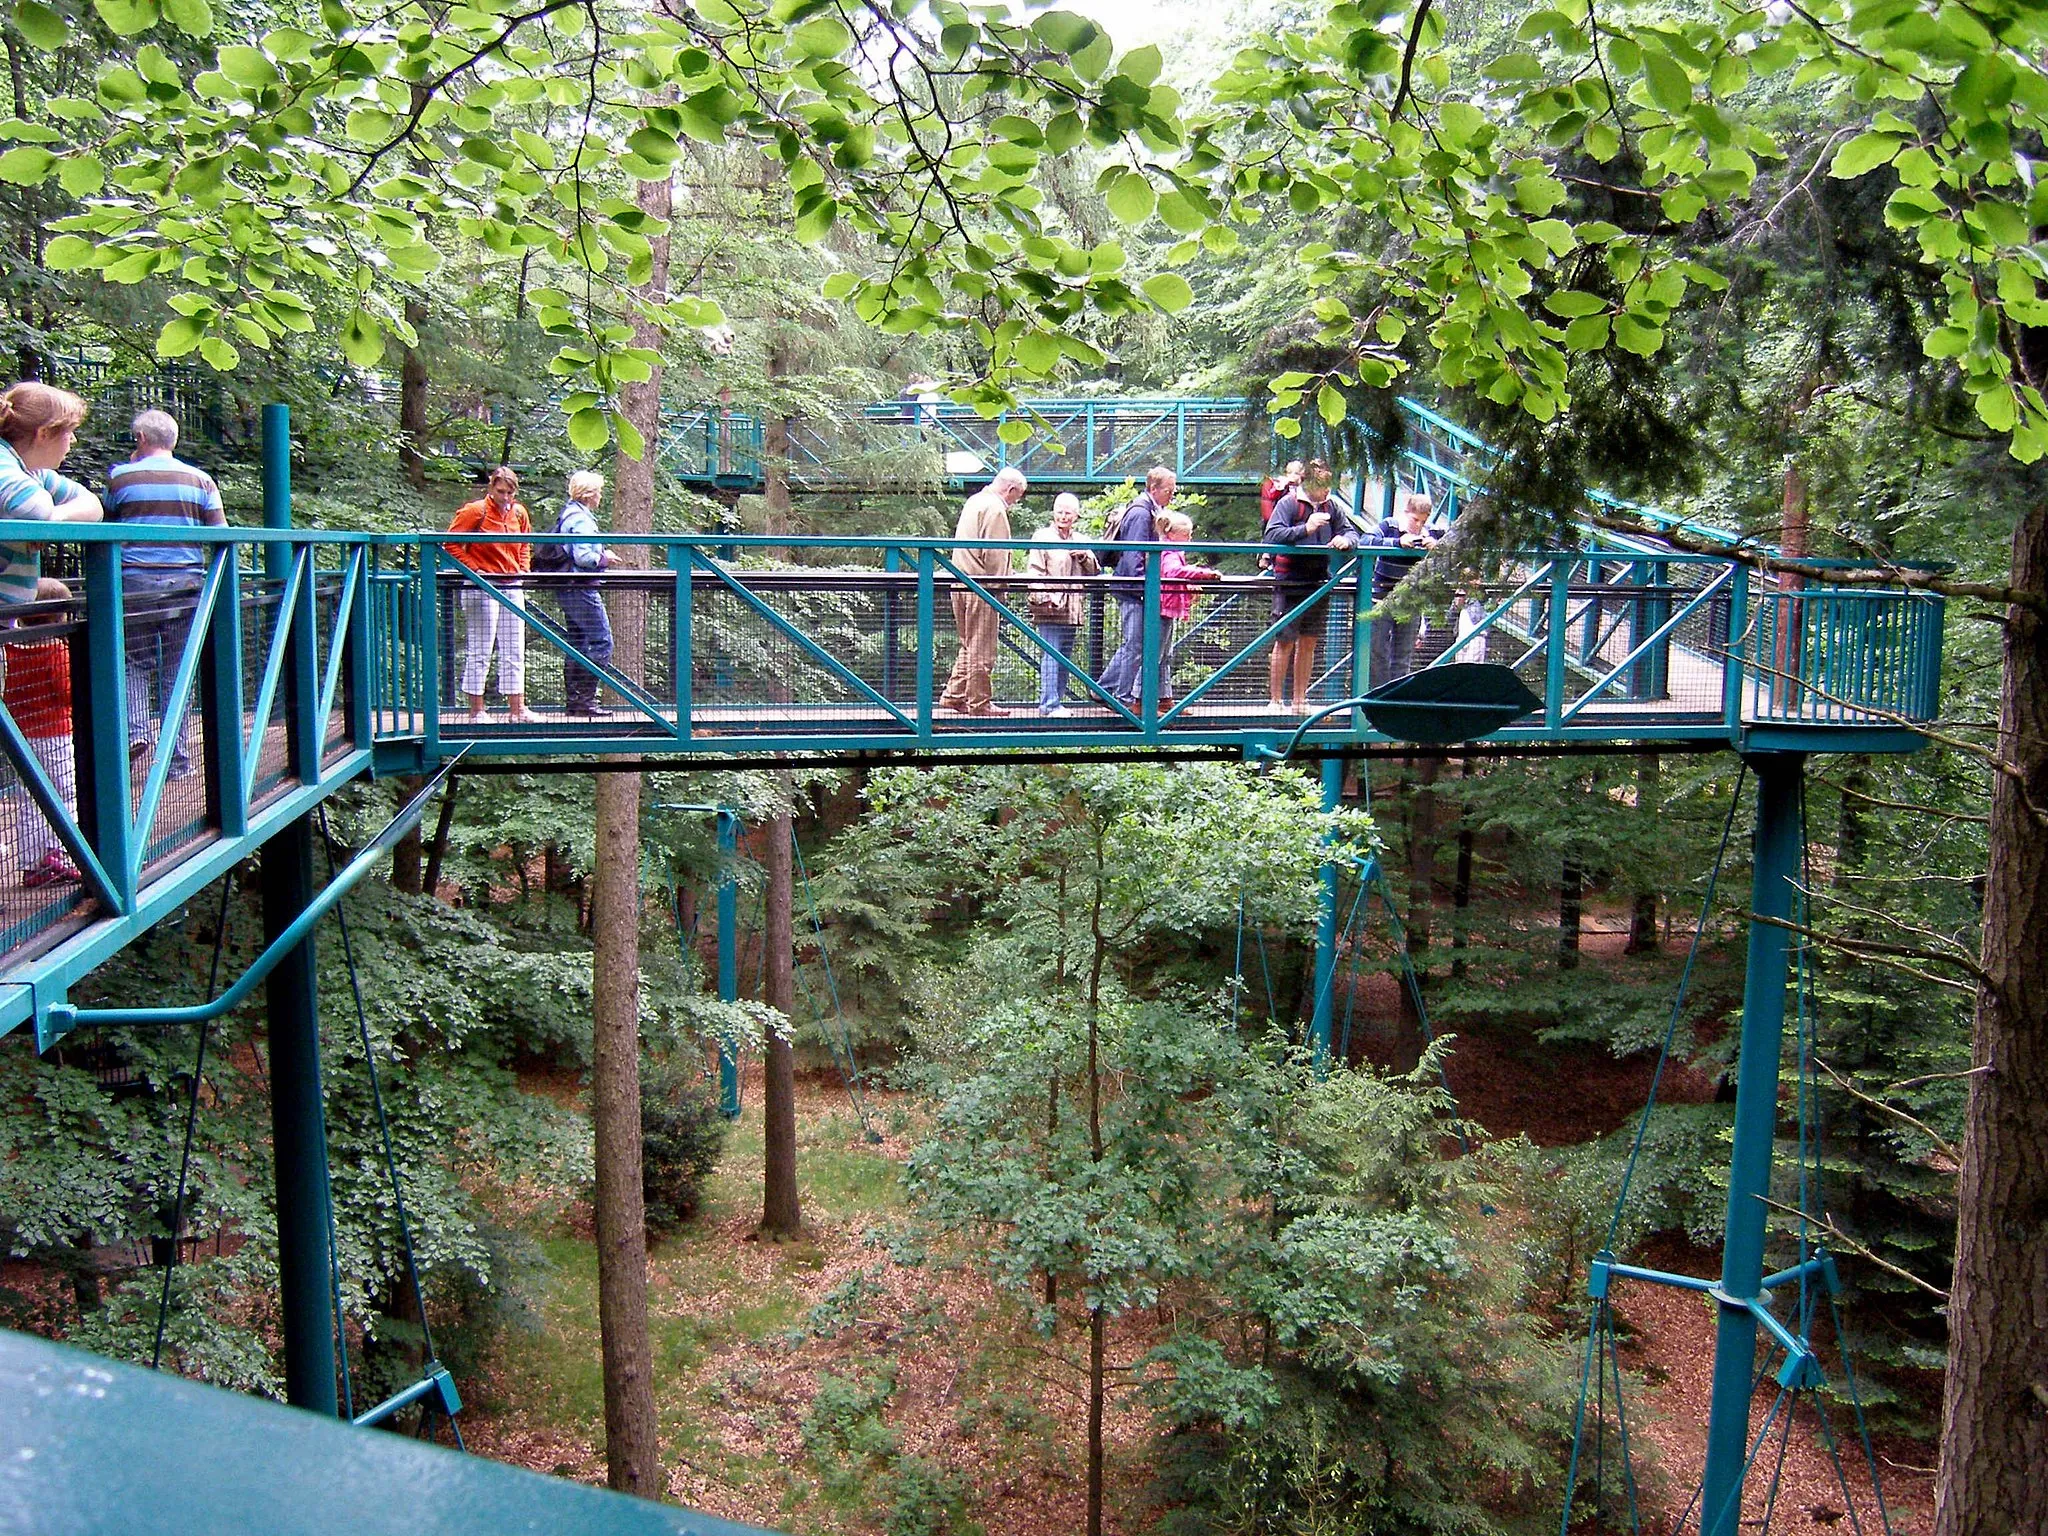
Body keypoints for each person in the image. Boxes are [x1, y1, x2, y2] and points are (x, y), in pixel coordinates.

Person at [107, 409, 225, 779]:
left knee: (132, 664)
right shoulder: (202, 480)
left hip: (134, 585)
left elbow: (108, 529)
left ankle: (137, 732)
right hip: (187, 584)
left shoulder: (119, 478)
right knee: (177, 672)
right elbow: (220, 532)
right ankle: (176, 763)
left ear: (140, 438)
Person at [1261, 460, 1357, 712]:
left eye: (1329, 485)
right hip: (1289, 579)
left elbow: (1351, 533)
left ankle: (1300, 700)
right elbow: (1273, 535)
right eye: (1323, 485)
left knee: (1309, 641)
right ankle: (1275, 701)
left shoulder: (1332, 507)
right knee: (1285, 639)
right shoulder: (1289, 503)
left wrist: (1345, 540)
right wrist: (1306, 528)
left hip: (1318, 580)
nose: (1327, 490)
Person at [0, 382, 104, 612]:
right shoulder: (2, 460)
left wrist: (54, 518)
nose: (74, 440)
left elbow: (93, 506)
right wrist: (41, 519)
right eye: (69, 432)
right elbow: (33, 507)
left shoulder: (32, 471)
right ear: (44, 433)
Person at [5, 579, 80, 887]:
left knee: (30, 796)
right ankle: (60, 853)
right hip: (56, 734)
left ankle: (31, 863)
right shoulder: (55, 652)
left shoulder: (9, 651)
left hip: (21, 736)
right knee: (64, 792)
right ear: (58, 618)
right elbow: (66, 694)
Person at [446, 466, 534, 724]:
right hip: (481, 585)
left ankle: (517, 710)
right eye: (501, 491)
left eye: (510, 492)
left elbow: (526, 543)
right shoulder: (476, 511)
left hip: (512, 583)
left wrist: (524, 570)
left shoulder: (519, 513)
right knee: (480, 648)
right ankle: (477, 711)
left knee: (514, 647)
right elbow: (450, 543)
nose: (505, 497)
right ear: (491, 488)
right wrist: (476, 570)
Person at [938, 466, 1027, 717]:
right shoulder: (996, 508)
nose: (1014, 503)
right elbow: (995, 555)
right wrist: (1003, 587)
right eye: (1016, 498)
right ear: (1010, 490)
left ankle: (953, 696)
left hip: (960, 582)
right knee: (982, 648)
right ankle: (980, 704)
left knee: (968, 644)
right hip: (982, 588)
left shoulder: (975, 501)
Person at [534, 471, 618, 717]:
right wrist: (605, 558)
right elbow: (583, 557)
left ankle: (576, 701)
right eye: (599, 491)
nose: (600, 495)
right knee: (602, 641)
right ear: (590, 494)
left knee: (578, 643)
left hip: (569, 585)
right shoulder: (581, 519)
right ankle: (586, 700)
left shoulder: (569, 513)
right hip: (580, 586)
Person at [1096, 464, 1177, 708]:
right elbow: (1134, 555)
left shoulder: (1149, 510)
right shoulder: (1141, 513)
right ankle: (1121, 697)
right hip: (1134, 590)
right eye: (1169, 491)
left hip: (1134, 588)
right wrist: (1146, 590)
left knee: (1136, 645)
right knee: (1135, 646)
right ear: (1154, 488)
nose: (1172, 495)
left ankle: (1105, 689)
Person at [1024, 491, 1099, 718]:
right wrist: (1043, 597)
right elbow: (1034, 571)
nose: (1063, 516)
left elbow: (1095, 570)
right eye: (1059, 512)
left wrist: (1084, 557)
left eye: (1068, 513)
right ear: (1053, 512)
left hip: (1073, 608)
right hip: (1051, 605)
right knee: (1051, 654)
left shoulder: (1082, 540)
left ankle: (1057, 702)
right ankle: (1049, 704)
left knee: (1064, 656)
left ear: (1076, 515)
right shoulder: (1042, 536)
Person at [1363, 491, 1442, 686]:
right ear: (1406, 512)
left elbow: (1455, 548)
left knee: (1403, 655)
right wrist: (1397, 543)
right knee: (1377, 651)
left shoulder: (1430, 531)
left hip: (1411, 602)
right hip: (1382, 599)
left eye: (1423, 522)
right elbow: (1365, 541)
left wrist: (1437, 546)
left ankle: (1395, 698)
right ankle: (1378, 696)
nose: (1419, 526)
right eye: (1415, 520)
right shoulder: (1390, 525)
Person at [1155, 509, 1221, 706]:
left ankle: (1164, 698)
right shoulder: (1169, 552)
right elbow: (1171, 571)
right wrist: (1202, 574)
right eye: (1186, 535)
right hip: (1162, 607)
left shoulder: (1171, 550)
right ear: (1172, 534)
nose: (1190, 538)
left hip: (1166, 606)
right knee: (1157, 654)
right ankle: (1142, 700)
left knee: (1165, 654)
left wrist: (1189, 580)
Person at [1259, 459, 1304, 526]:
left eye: (1296, 473)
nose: (1293, 476)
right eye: (1289, 472)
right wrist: (1281, 487)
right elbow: (1271, 497)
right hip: (1277, 522)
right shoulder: (1278, 484)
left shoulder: (1302, 488)